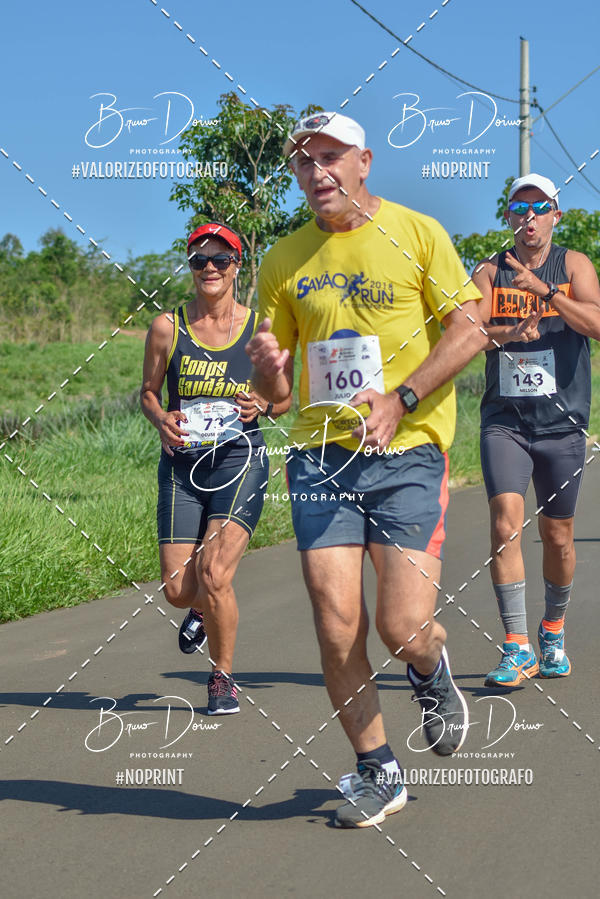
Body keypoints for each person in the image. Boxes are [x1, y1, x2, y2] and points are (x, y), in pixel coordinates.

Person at [246, 112, 487, 828]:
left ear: (364, 162)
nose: (316, 171)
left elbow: (470, 327)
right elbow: (278, 395)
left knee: (402, 622)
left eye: (330, 157)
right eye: (304, 161)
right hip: (320, 457)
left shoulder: (417, 233)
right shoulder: (283, 259)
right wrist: (267, 374)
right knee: (335, 623)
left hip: (406, 448)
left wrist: (404, 397)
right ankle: (377, 769)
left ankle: (429, 665)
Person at [141, 222, 289, 714]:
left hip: (239, 459)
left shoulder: (258, 328)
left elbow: (283, 398)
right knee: (179, 590)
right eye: (200, 260)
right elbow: (147, 394)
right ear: (190, 267)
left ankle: (222, 677)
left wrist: (261, 407)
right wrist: (161, 418)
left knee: (215, 571)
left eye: (220, 260)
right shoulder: (168, 327)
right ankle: (200, 609)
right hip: (183, 464)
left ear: (236, 266)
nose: (210, 268)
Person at [473, 174, 600, 687]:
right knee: (505, 524)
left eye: (539, 207)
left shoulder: (573, 265)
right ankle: (517, 645)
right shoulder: (488, 271)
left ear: (555, 214)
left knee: (558, 536)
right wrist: (511, 332)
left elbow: (595, 322)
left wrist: (545, 293)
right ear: (509, 217)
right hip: (506, 421)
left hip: (563, 424)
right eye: (519, 207)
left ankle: (552, 630)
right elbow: (469, 334)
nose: (530, 217)